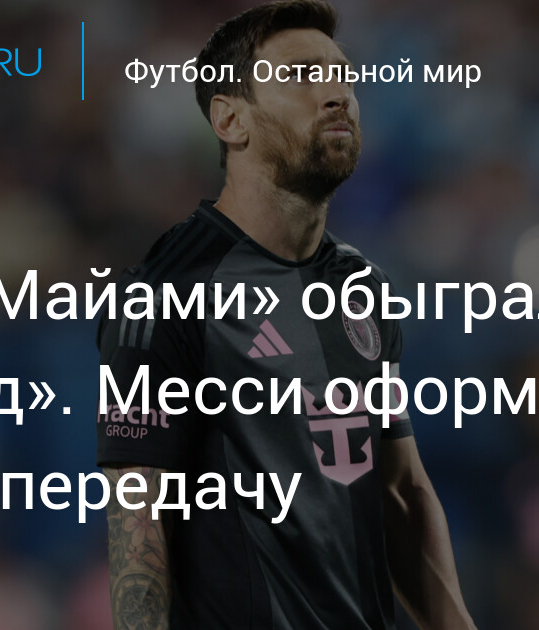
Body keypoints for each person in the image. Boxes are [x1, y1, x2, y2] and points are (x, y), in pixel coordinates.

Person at [96, 2, 476, 628]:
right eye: (301, 75)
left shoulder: (361, 286)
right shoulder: (164, 293)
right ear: (230, 119)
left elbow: (399, 493)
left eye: (344, 77)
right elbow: (138, 518)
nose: (338, 95)